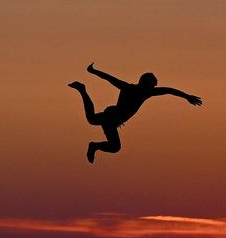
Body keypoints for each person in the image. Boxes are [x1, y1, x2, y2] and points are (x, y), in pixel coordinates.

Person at [69, 63, 203, 163]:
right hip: (113, 117)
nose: (153, 89)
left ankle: (82, 90)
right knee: (113, 145)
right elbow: (109, 78)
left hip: (113, 117)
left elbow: (168, 90)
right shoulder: (136, 89)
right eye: (152, 86)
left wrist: (186, 96)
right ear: (147, 84)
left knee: (94, 122)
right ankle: (94, 145)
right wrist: (93, 71)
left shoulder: (143, 91)